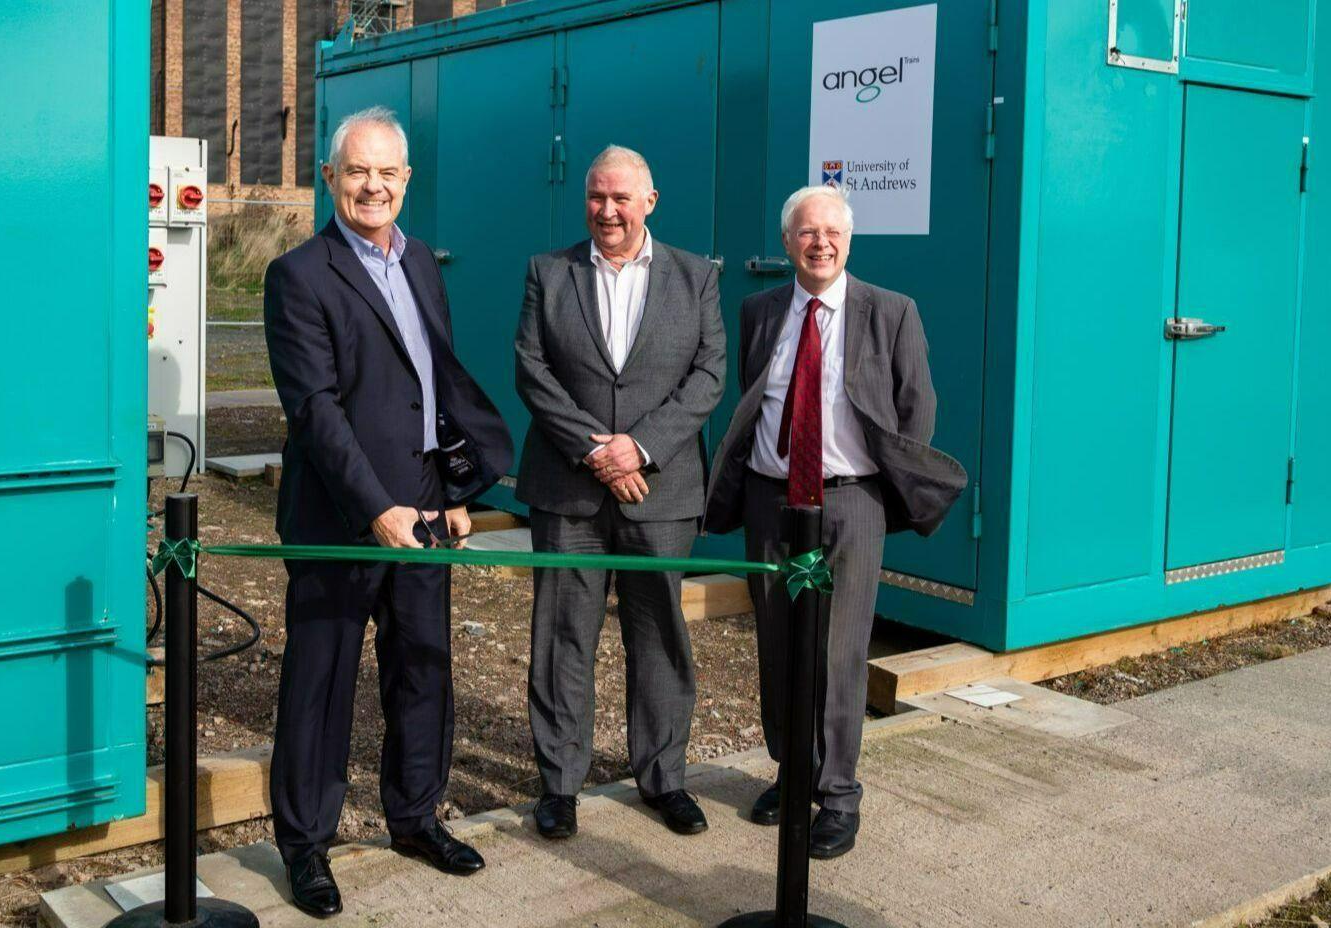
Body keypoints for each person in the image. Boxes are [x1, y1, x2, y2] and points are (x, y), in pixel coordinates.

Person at [262, 105, 514, 918]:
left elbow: (433, 388)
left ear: (406, 179)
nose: (372, 186)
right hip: (339, 518)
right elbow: (315, 410)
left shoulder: (422, 264)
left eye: (386, 172)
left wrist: (454, 494)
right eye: (356, 171)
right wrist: (376, 508)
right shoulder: (299, 275)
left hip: (425, 513)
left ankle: (415, 817)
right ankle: (306, 844)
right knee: (320, 683)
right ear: (329, 177)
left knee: (422, 670)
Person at [702, 185, 967, 859]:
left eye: (832, 233)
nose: (819, 243)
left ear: (848, 241)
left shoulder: (890, 311)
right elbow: (754, 399)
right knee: (777, 643)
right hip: (771, 502)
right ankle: (792, 774)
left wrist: (887, 482)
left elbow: (917, 408)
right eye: (806, 232)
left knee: (837, 653)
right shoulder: (759, 310)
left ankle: (839, 794)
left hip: (850, 503)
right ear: (786, 241)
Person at [513, 145, 727, 840]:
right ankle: (559, 785)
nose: (607, 211)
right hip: (567, 488)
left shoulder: (695, 276)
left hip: (660, 491)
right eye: (596, 197)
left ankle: (663, 779)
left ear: (649, 202)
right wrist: (596, 450)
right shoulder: (549, 272)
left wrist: (640, 446)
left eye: (620, 198)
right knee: (561, 638)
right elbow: (532, 369)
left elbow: (708, 375)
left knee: (659, 635)